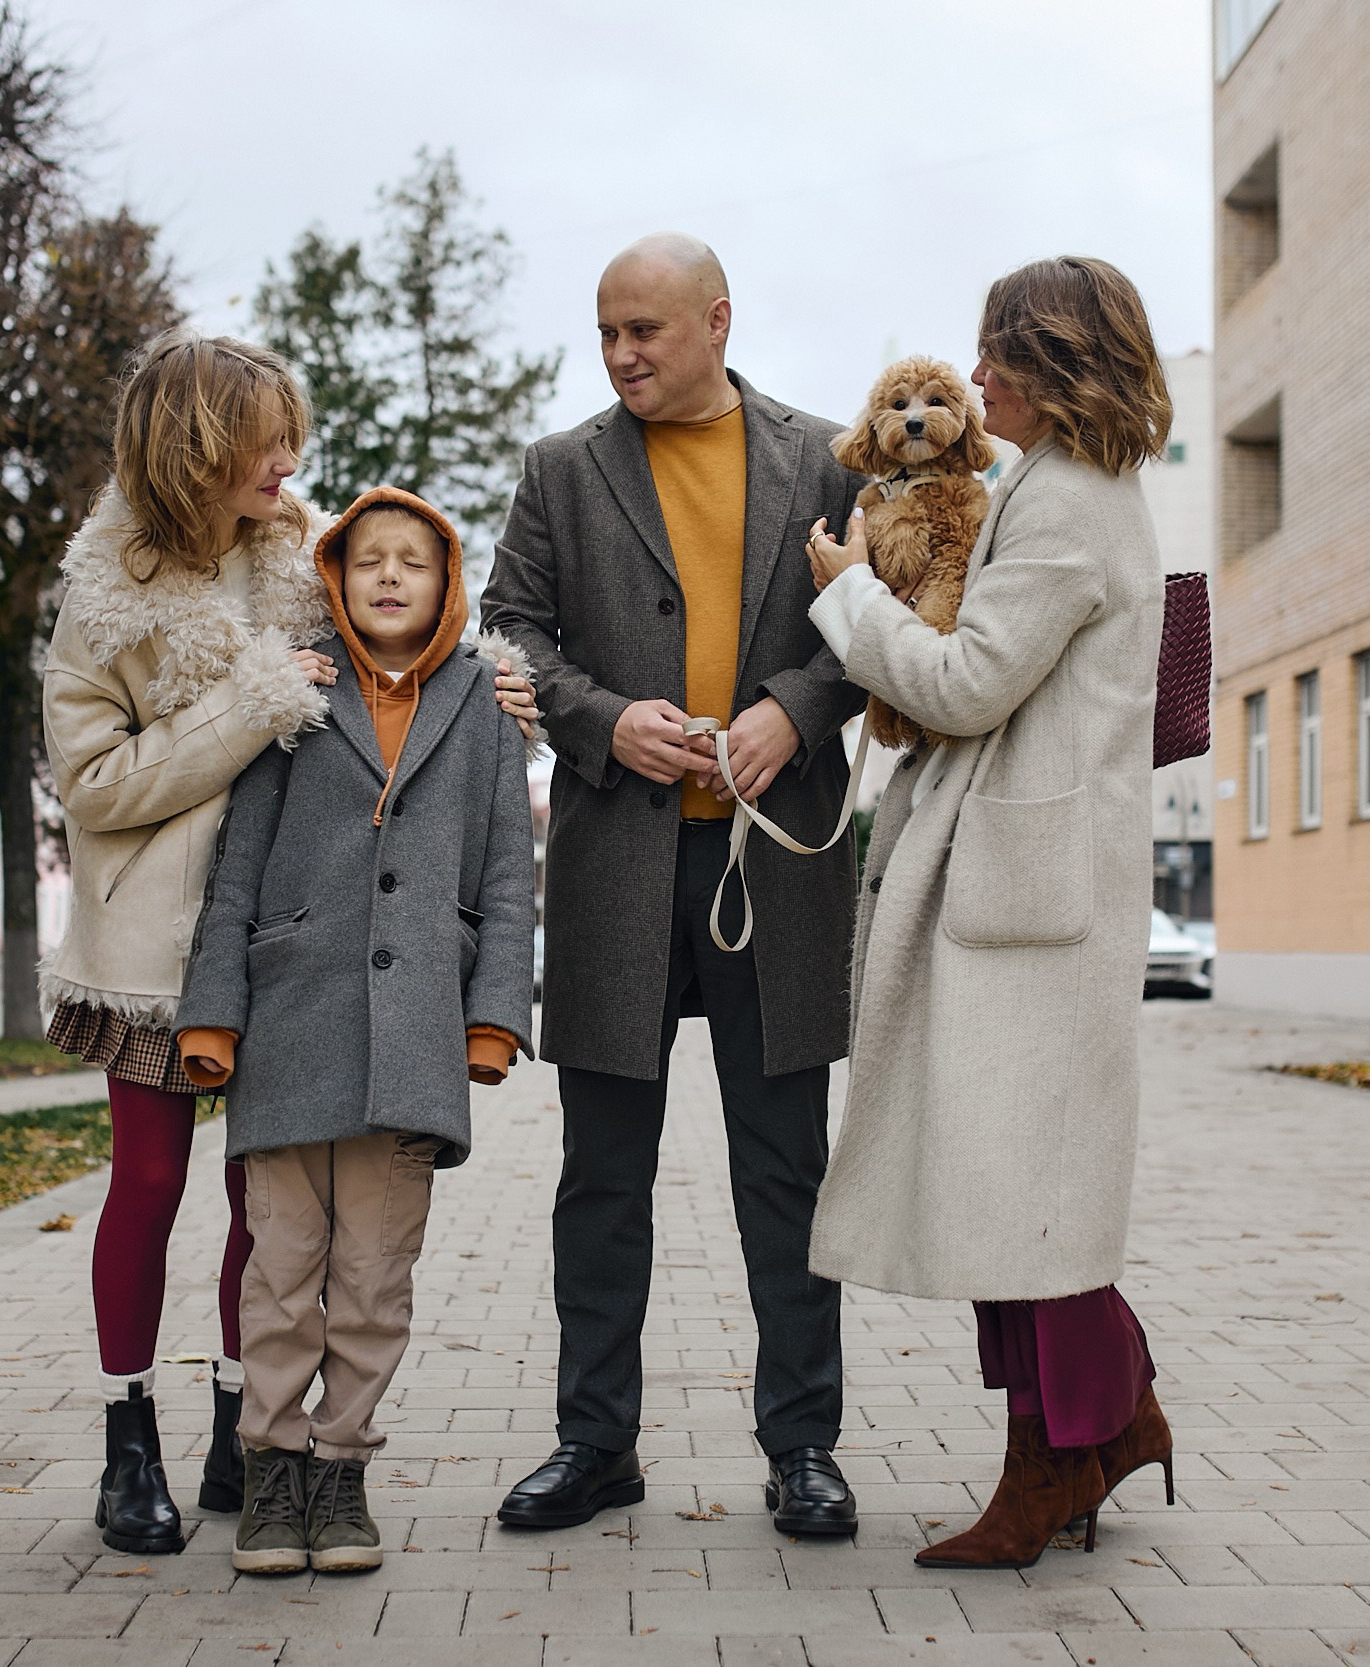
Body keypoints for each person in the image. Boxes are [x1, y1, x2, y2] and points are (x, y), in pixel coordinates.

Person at [42, 332, 542, 1555]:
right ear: (200, 445)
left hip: (299, 940)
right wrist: (244, 707)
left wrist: (481, 678)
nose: (288, 459)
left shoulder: (287, 555)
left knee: (259, 1201)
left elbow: (383, 651)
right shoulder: (105, 597)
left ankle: (240, 1434)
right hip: (161, 948)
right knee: (152, 1182)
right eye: (266, 438)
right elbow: (94, 785)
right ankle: (128, 1444)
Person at [480, 234, 868, 1536]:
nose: (622, 354)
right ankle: (595, 1444)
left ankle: (802, 1446)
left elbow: (873, 623)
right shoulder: (559, 470)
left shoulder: (825, 456)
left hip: (777, 864)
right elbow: (515, 626)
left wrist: (795, 710)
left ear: (716, 320)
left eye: (645, 329)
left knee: (785, 1173)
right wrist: (597, 718)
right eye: (606, 333)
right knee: (601, 1177)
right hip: (616, 859)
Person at [803, 256, 1175, 1570]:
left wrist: (847, 588)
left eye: (998, 355)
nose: (977, 379)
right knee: (1020, 1184)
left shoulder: (1069, 505)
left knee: (1028, 1196)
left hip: (1031, 899)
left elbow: (964, 686)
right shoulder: (1071, 492)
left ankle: (1063, 1453)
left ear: (1058, 366)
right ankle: (1105, 1418)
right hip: (1035, 887)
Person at [173, 487, 539, 1577]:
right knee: (281, 1269)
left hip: (417, 1033)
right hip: (290, 1030)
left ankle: (340, 1468)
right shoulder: (298, 690)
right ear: (335, 574)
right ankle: (270, 1468)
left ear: (446, 584)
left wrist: (490, 1019)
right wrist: (213, 1016)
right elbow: (237, 868)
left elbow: (509, 877)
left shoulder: (483, 705)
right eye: (368, 557)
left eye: (412, 562)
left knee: (374, 1274)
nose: (388, 576)